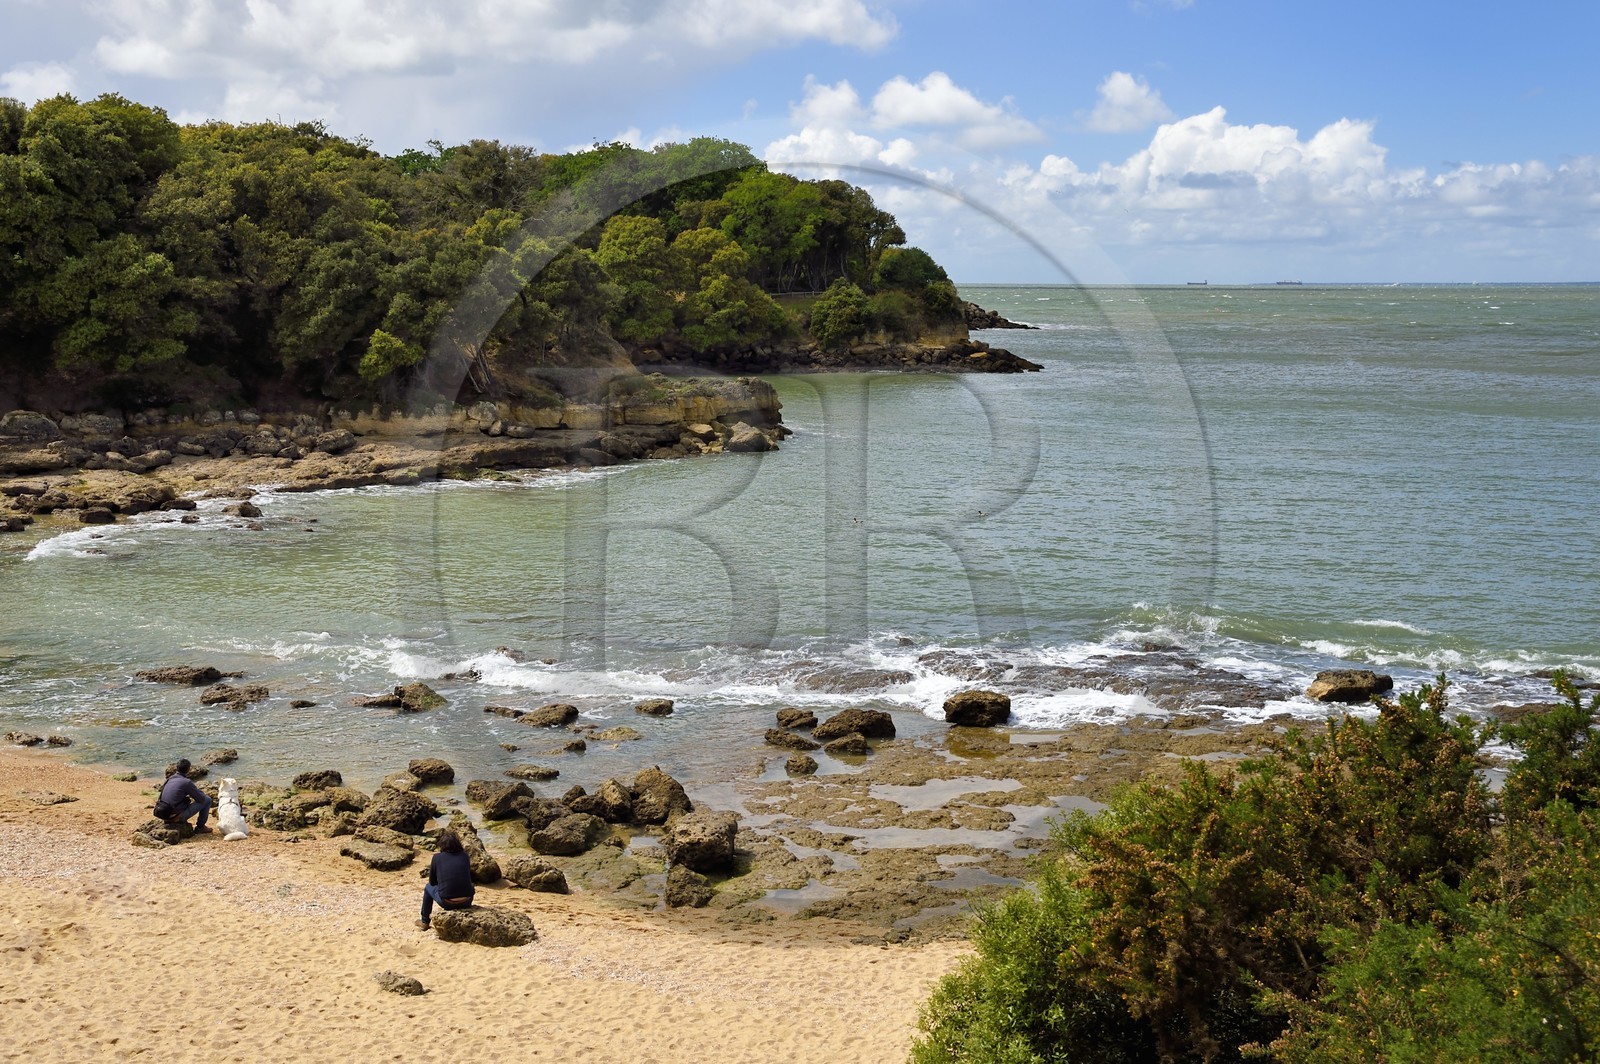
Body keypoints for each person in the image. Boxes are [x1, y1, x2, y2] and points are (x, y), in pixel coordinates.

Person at [418, 829, 474, 930]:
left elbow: (432, 882)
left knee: (427, 888)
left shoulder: (437, 857)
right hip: (467, 900)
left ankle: (424, 921)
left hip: (447, 902)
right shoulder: (465, 856)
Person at [157, 759, 211, 834]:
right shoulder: (186, 782)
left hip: (162, 813)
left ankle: (171, 818)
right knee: (207, 800)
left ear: (177, 768)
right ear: (188, 769)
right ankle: (200, 827)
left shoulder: (170, 779)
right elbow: (201, 799)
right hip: (174, 817)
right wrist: (199, 792)